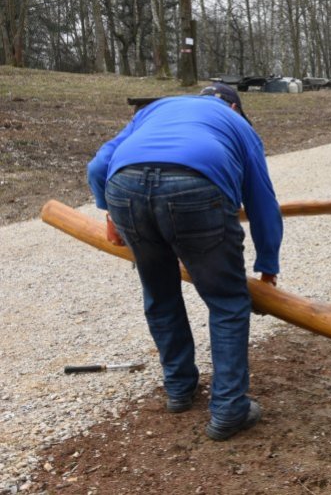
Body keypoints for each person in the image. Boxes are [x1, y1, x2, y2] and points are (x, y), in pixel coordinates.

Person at [87, 82, 282, 442]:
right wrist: (267, 263)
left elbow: (99, 166)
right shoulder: (238, 125)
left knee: (160, 293)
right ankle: (228, 409)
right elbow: (262, 202)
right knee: (226, 301)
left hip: (125, 187)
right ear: (235, 108)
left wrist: (110, 214)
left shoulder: (155, 109)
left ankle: (179, 389)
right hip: (196, 188)